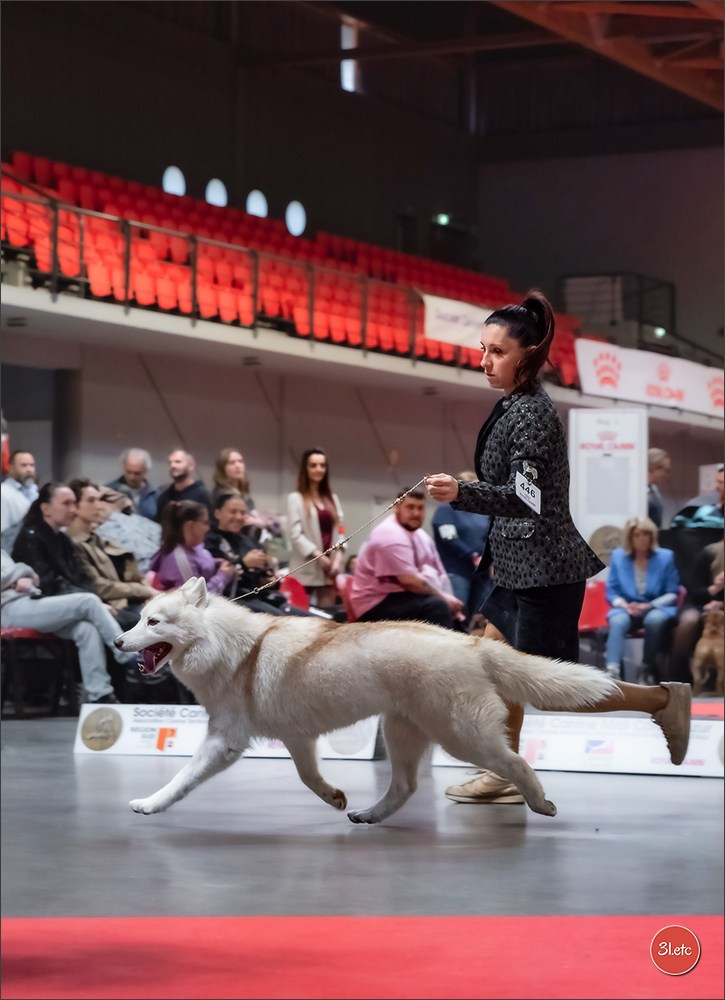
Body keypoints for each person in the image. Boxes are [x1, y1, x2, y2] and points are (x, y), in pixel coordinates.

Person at [425, 290, 691, 804]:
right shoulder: (512, 407)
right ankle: (504, 772)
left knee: (556, 691)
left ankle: (662, 700)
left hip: (545, 573)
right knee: (494, 669)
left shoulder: (531, 416)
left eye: (496, 352)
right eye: (482, 350)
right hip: (516, 568)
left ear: (528, 355)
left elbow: (527, 500)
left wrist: (463, 493)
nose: (484, 362)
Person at [9, 484, 140, 702]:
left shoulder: (62, 539)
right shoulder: (30, 536)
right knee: (89, 602)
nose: (72, 509)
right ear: (46, 508)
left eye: (74, 503)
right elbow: (46, 583)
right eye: (66, 503)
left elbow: (80, 578)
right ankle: (125, 654)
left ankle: (100, 693)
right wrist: (93, 604)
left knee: (86, 629)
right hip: (23, 605)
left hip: (49, 606)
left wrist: (96, 604)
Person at [350, 486, 466, 629]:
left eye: (420, 508)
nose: (416, 513)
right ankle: (438, 651)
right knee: (437, 606)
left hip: (398, 595)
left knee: (454, 610)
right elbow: (411, 582)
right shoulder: (390, 535)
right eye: (410, 507)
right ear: (397, 507)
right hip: (373, 604)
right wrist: (443, 597)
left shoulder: (418, 535)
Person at [67, 478, 158, 630]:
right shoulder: (73, 543)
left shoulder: (98, 539)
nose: (98, 506)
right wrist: (143, 591)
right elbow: (98, 586)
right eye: (91, 500)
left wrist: (147, 593)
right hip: (110, 605)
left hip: (125, 601)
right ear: (75, 506)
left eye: (99, 500)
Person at [204, 489, 310, 616]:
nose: (238, 517)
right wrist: (243, 564)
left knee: (309, 618)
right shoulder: (209, 541)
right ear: (217, 513)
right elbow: (215, 579)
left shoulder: (248, 541)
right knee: (284, 621)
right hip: (233, 601)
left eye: (242, 512)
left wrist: (267, 580)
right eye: (233, 512)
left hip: (261, 597)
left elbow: (259, 578)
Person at [604, 516, 680, 682]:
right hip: (627, 608)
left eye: (646, 534)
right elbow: (612, 591)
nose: (642, 539)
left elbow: (673, 592)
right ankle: (612, 671)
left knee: (654, 620)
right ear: (630, 537)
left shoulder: (666, 557)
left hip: (656, 608)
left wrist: (649, 605)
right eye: (637, 535)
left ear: (652, 536)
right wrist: (624, 605)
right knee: (617, 620)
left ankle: (647, 668)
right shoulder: (618, 556)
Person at [286, 448, 345, 608]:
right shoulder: (295, 499)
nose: (319, 469)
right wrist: (319, 556)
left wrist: (338, 558)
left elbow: (341, 530)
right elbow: (295, 534)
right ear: (305, 468)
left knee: (327, 619)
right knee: (299, 617)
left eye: (322, 465)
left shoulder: (332, 499)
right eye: (313, 465)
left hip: (329, 568)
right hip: (307, 566)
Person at [432, 470, 491, 628]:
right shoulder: (446, 509)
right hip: (456, 570)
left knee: (473, 613)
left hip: (480, 571)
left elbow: (488, 536)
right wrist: (471, 556)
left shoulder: (481, 511)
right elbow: (449, 538)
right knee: (458, 612)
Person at [149, 499, 236, 593]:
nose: (208, 528)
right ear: (190, 525)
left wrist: (216, 564)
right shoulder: (179, 558)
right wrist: (223, 576)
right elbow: (196, 599)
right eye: (205, 523)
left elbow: (200, 564)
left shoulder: (195, 546)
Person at [669, 538, 724, 684]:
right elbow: (693, 590)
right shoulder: (709, 553)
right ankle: (678, 678)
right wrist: (713, 589)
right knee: (688, 621)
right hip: (699, 604)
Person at [211, 447, 279, 540]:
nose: (238, 466)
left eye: (240, 461)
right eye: (232, 463)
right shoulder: (222, 495)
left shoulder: (243, 493)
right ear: (223, 469)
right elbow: (244, 521)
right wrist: (259, 522)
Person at [155, 449, 213, 524]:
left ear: (191, 465)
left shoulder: (204, 495)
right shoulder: (164, 497)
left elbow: (211, 525)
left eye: (178, 462)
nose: (173, 465)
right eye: (170, 462)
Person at [105, 448, 159, 520]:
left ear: (146, 471)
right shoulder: (108, 491)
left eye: (137, 473)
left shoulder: (156, 495)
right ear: (123, 467)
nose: (132, 477)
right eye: (128, 472)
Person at [1, 450, 39, 536]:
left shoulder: (35, 492)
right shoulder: (3, 493)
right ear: (11, 468)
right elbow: (3, 533)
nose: (29, 469)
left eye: (32, 465)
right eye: (24, 465)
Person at [646, 448, 670, 528]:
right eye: (665, 470)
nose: (665, 475)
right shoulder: (638, 491)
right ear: (653, 467)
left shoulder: (655, 490)